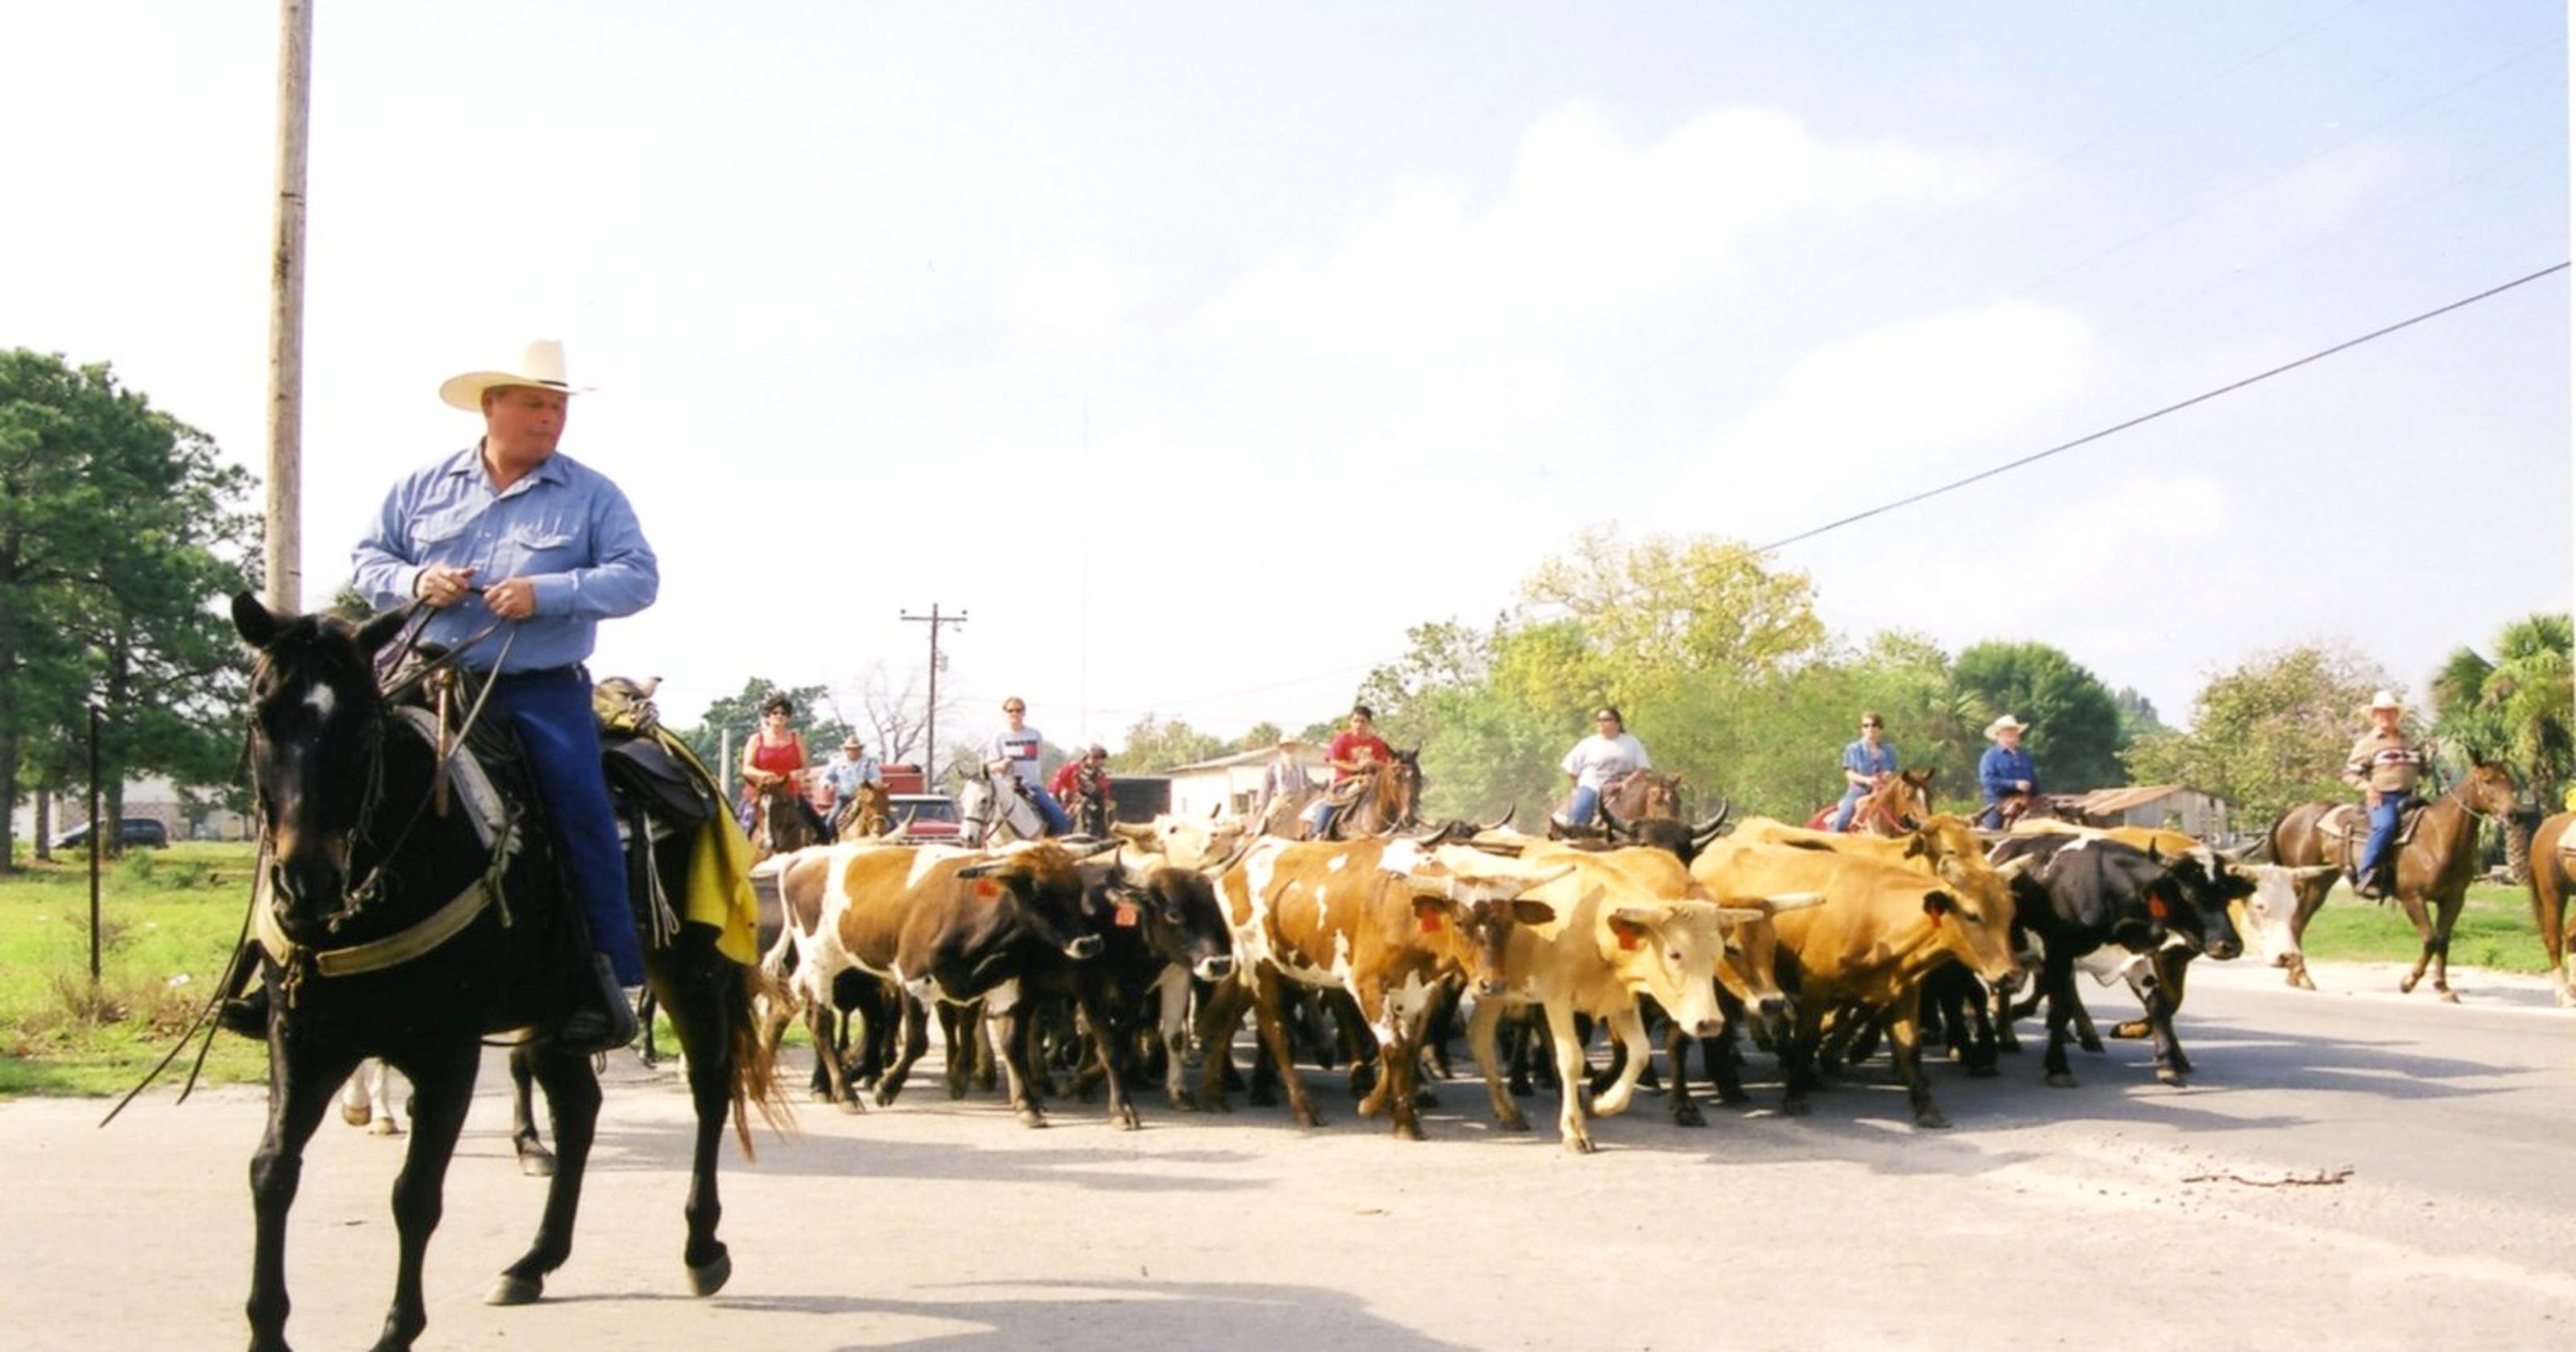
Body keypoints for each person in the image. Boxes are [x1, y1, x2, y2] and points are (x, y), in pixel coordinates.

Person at [268, 338, 658, 1053]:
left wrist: (547, 592)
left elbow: (638, 578)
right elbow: (369, 557)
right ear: (492, 406)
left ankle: (606, 980)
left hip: (535, 688)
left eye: (558, 406)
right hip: (418, 673)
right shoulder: (422, 486)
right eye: (535, 404)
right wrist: (418, 581)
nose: (549, 419)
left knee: (579, 806)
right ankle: (280, 962)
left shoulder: (592, 494)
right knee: (317, 775)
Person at [2343, 690, 2425, 900]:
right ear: (2374, 716)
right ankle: (2366, 873)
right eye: (2380, 713)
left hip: (2410, 797)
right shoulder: (2367, 744)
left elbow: (2423, 767)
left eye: (2390, 712)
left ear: (2397, 715)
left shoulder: (2409, 741)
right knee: (2386, 826)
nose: (2386, 716)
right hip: (2383, 797)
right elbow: (2349, 774)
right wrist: (2368, 788)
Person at [737, 695, 825, 840]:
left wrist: (797, 774)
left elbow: (805, 767)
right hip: (761, 794)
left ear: (788, 718)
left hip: (790, 794)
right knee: (741, 833)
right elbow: (747, 768)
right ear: (767, 717)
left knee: (821, 831)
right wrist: (765, 776)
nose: (779, 716)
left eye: (784, 713)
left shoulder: (796, 738)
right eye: (775, 713)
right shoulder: (756, 739)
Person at [1304, 705, 1393, 839]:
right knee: (1332, 803)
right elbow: (1334, 760)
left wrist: (1373, 764)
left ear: (1369, 723)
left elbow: (1386, 764)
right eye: (1355, 721)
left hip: (1372, 783)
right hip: (1346, 782)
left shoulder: (1377, 743)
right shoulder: (1343, 740)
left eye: (1362, 721)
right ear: (1350, 722)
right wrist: (1356, 768)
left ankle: (1401, 826)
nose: (1358, 725)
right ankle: (1319, 832)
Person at [985, 697, 1071, 835]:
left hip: (1031, 787)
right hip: (1007, 789)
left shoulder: (1034, 735)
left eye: (1019, 710)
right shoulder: (999, 737)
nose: (1015, 714)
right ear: (1005, 713)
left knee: (1060, 819)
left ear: (1024, 712)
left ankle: (1053, 849)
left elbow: (1038, 761)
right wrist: (1001, 765)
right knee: (980, 818)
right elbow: (989, 767)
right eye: (1011, 710)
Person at [1559, 706, 1650, 828]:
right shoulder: (1588, 743)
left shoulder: (1631, 742)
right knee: (1580, 811)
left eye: (1606, 719)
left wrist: (1625, 784)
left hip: (1624, 788)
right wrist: (1577, 788)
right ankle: (1574, 832)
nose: (1601, 723)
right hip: (1593, 786)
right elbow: (1571, 770)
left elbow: (1643, 769)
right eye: (1598, 720)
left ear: (1617, 723)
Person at [1831, 712, 1900, 832]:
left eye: (1874, 725)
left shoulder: (1889, 750)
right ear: (1862, 729)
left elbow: (1894, 771)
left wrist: (1888, 775)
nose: (1870, 729)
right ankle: (1833, 840)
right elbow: (1849, 773)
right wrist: (1867, 780)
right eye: (1866, 726)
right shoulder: (1853, 749)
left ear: (1880, 729)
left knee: (1906, 812)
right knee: (1843, 818)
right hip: (1859, 791)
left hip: (1885, 792)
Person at [1976, 714, 2038, 830]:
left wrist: (2034, 792)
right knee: (1991, 830)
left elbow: (2034, 779)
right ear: (1998, 735)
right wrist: (2015, 784)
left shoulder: (2024, 756)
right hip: (1998, 802)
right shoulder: (1990, 756)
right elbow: (1988, 781)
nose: (2011, 734)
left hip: (2025, 800)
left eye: (2013, 731)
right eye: (2007, 731)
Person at [819, 734, 884, 826]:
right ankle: (826, 839)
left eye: (855, 749)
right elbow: (825, 777)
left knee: (886, 819)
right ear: (845, 750)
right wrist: (827, 784)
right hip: (844, 799)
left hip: (865, 799)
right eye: (849, 749)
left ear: (860, 749)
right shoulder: (838, 763)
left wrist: (869, 783)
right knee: (831, 821)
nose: (852, 751)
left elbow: (877, 778)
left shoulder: (869, 763)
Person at [1049, 745, 1113, 831]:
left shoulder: (1101, 775)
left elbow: (1105, 792)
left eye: (1101, 758)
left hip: (1090, 805)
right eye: (1095, 758)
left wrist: (1105, 800)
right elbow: (1057, 780)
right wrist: (1057, 795)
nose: (1098, 761)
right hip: (1068, 803)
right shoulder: (1073, 767)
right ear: (1088, 757)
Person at [1257, 736, 1314, 826]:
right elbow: (1265, 786)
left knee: (1313, 819)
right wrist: (1261, 805)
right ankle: (1256, 836)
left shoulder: (1301, 767)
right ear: (1281, 749)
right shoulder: (1273, 766)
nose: (1289, 748)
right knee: (1266, 821)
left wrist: (1311, 793)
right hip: (1280, 800)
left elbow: (1307, 783)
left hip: (1299, 800)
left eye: (1292, 745)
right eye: (1286, 746)